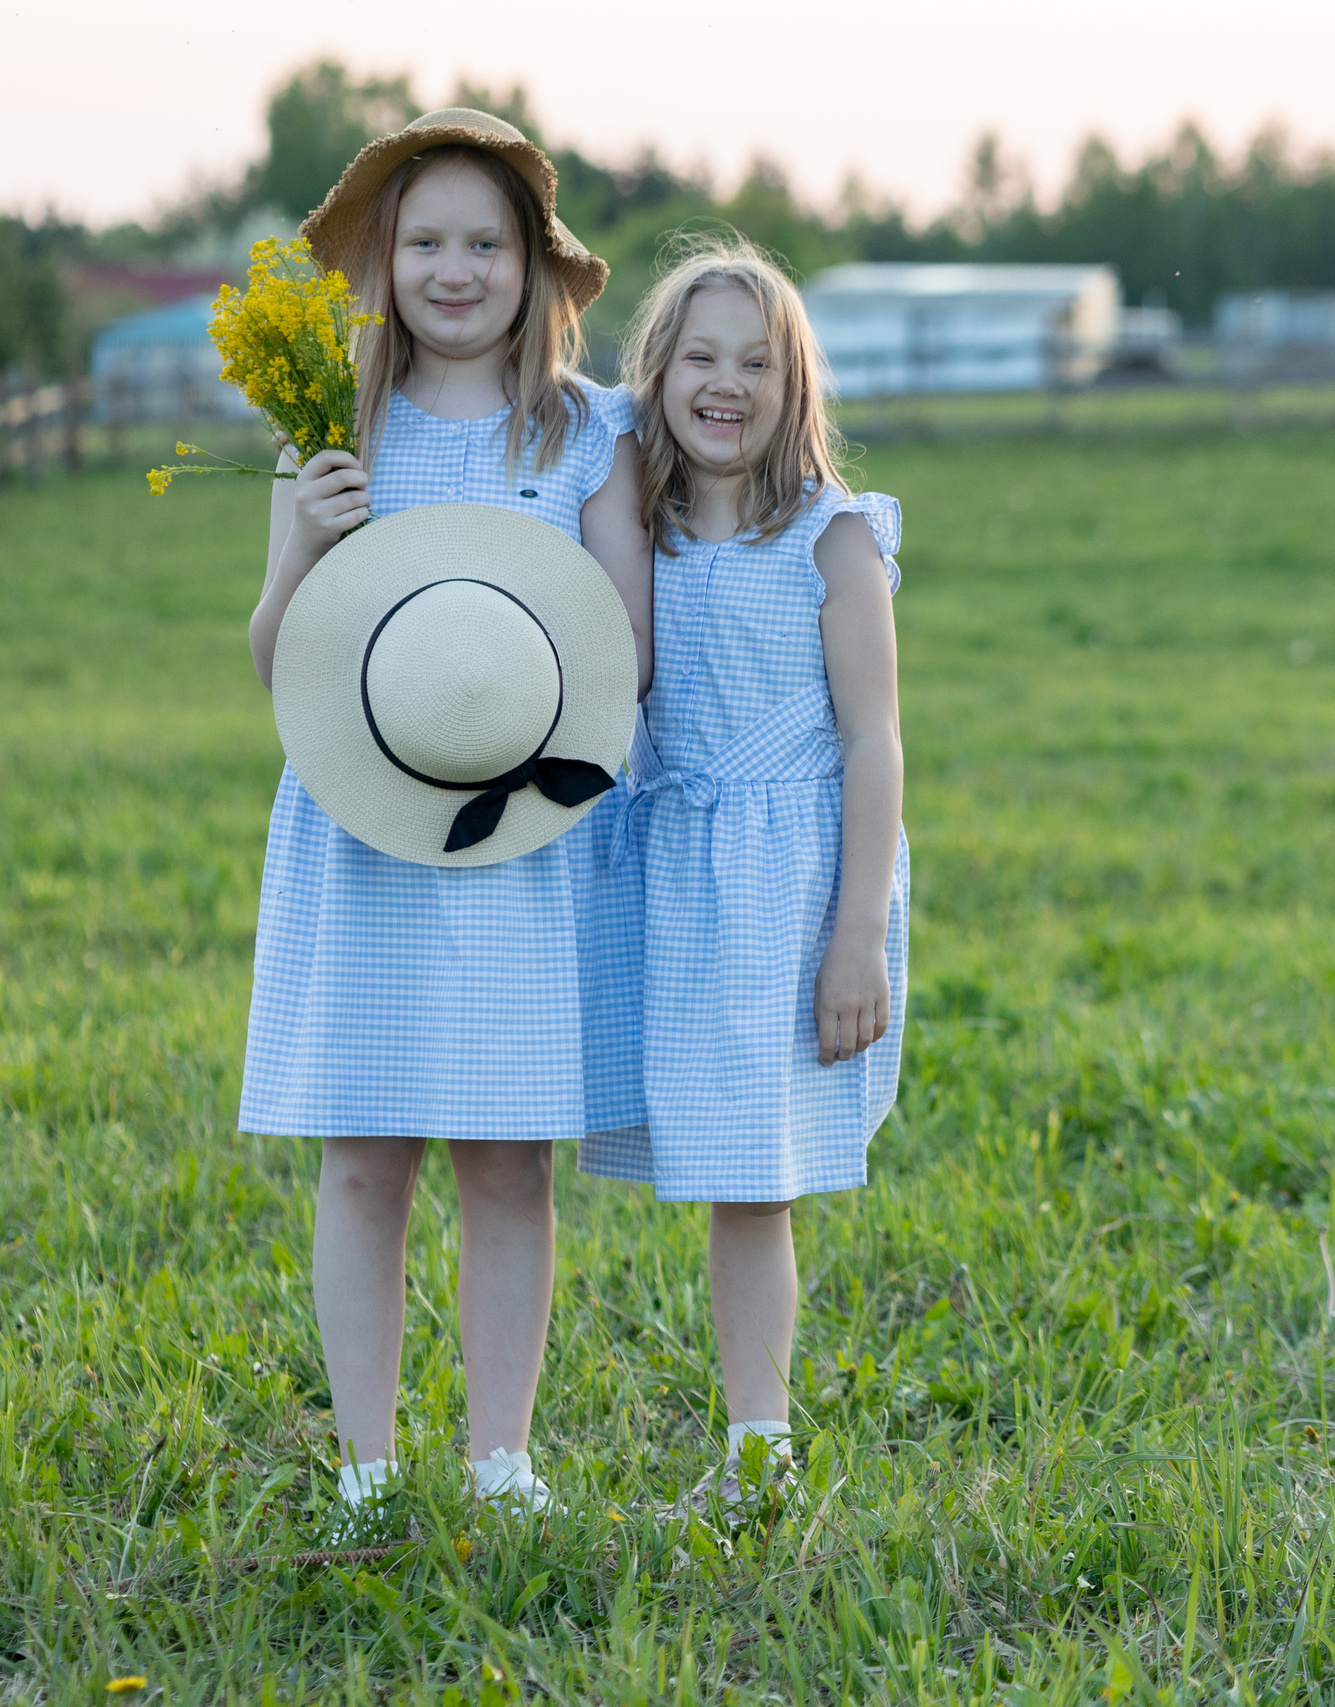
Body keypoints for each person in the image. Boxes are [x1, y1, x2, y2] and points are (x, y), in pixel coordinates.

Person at [239, 109, 653, 1521]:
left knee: (506, 1156)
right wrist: (303, 541)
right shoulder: (332, 429)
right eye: (427, 243)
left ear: (534, 268)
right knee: (365, 1158)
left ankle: (500, 1458)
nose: (455, 270)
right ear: (385, 262)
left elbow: (623, 647)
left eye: (486, 244)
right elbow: (278, 662)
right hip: (366, 826)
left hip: (519, 843)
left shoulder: (585, 432)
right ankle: (365, 1463)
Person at [580, 236, 909, 1520]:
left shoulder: (832, 540)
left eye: (756, 364)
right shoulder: (636, 533)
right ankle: (744, 1446)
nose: (726, 384)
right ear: (656, 376)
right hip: (675, 880)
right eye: (700, 359)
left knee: (752, 1183)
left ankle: (759, 1461)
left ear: (794, 386)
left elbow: (875, 741)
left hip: (792, 889)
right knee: (718, 1166)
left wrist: (856, 935)